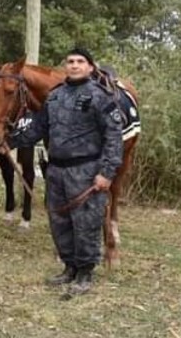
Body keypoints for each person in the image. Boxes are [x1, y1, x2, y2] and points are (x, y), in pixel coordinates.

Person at [10, 47, 124, 297]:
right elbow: (38, 128)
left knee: (85, 222)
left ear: (90, 67)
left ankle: (85, 272)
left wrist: (106, 172)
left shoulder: (100, 97)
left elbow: (114, 138)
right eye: (70, 61)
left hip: (86, 170)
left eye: (80, 61)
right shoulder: (55, 96)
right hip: (57, 170)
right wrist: (10, 141)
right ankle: (69, 267)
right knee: (59, 221)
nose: (73, 65)